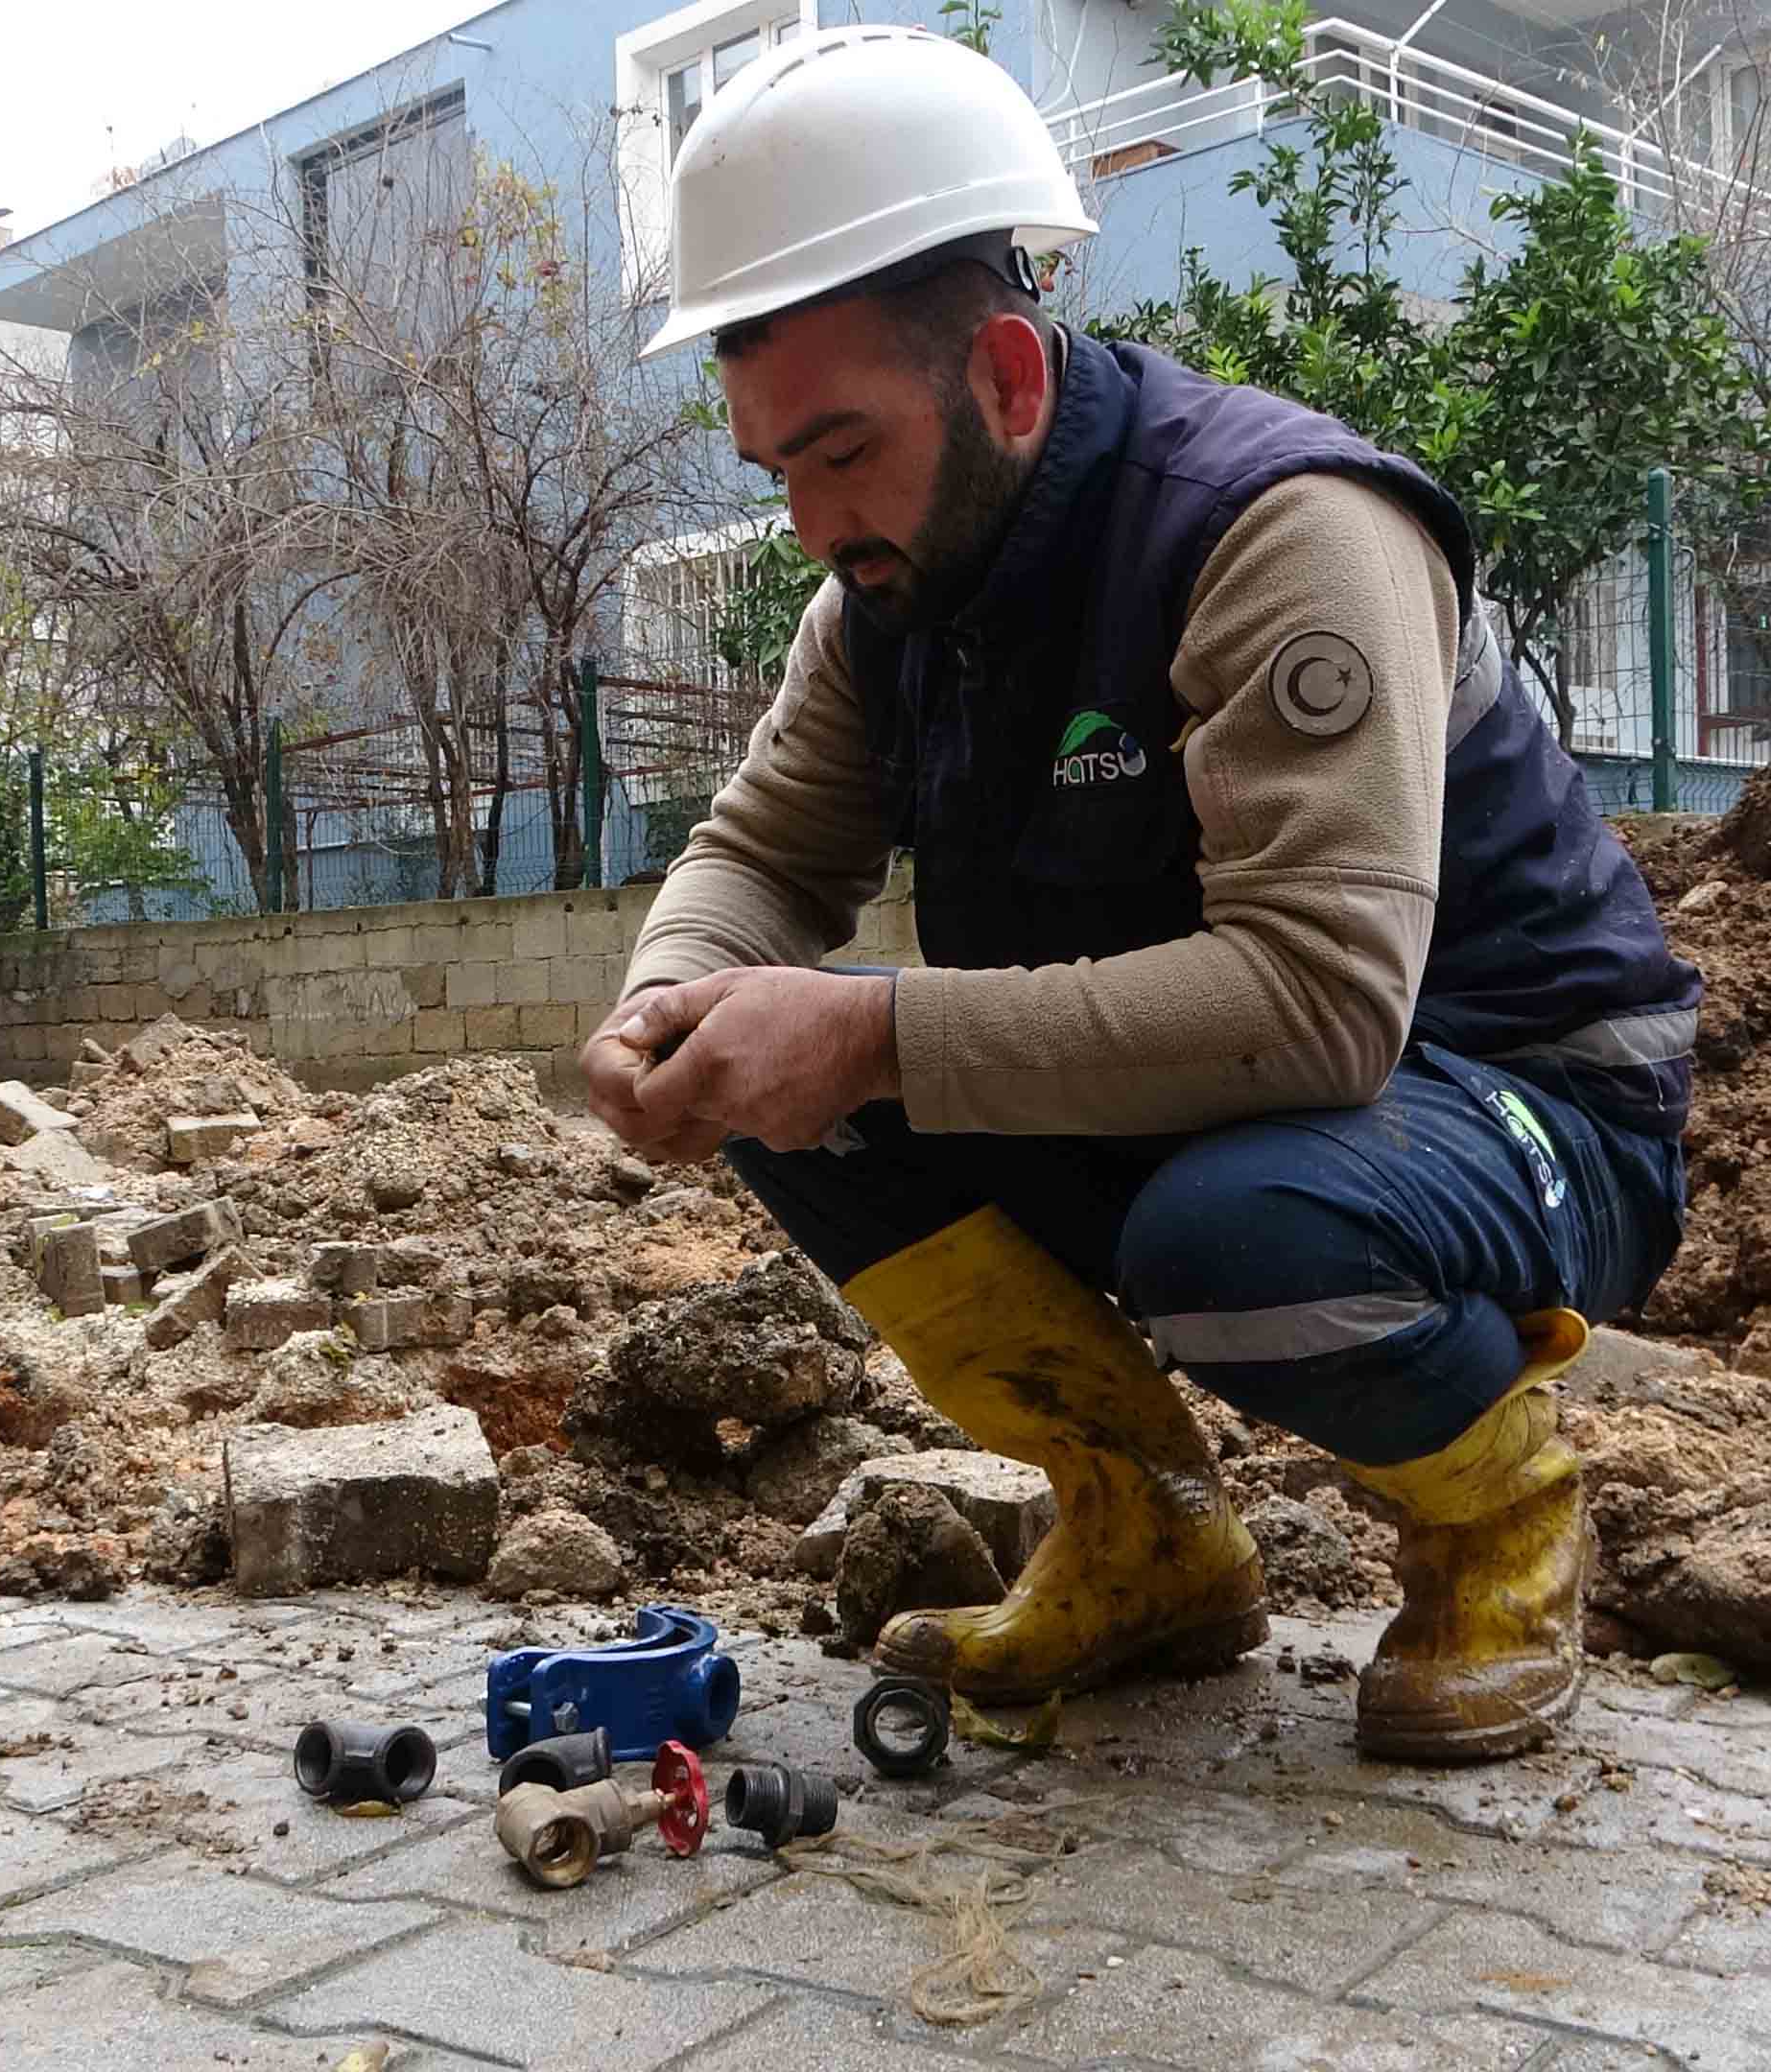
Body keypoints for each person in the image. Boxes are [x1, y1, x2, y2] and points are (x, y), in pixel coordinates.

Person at [583, 23, 1699, 1763]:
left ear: (1010, 380)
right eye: (777, 470)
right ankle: (1149, 1532)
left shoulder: (1280, 530)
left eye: (842, 451)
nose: (811, 520)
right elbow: (760, 859)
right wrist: (676, 997)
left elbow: (1320, 1010)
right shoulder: (888, 598)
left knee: (1239, 1240)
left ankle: (1502, 1524)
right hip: (1225, 1099)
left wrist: (873, 1029)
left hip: (1522, 1093)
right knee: (779, 1089)